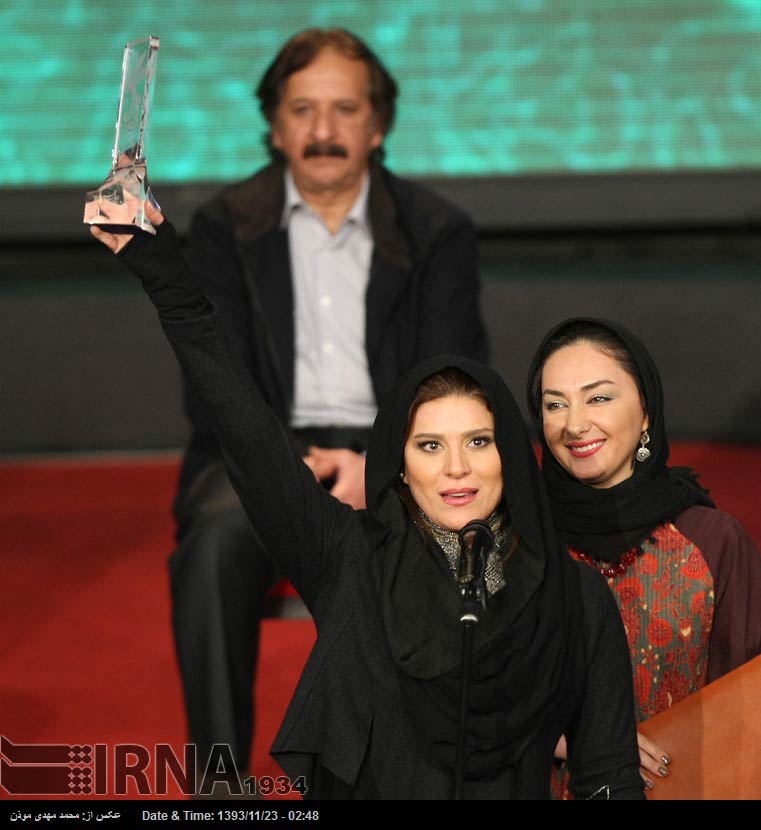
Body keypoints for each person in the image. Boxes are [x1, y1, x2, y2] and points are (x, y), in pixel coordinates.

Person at [91, 206, 644, 799]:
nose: (456, 467)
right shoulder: (351, 558)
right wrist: (166, 276)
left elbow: (608, 780)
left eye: (478, 442)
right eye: (429, 445)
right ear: (400, 466)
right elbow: (247, 430)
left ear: (508, 454)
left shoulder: (575, 598)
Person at [170, 27, 488, 783]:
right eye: (302, 110)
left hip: (400, 448)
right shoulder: (223, 227)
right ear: (275, 126)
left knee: (461, 528)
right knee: (212, 546)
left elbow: (453, 379)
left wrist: (380, 464)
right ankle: (218, 783)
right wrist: (287, 469)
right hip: (259, 452)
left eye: (344, 109)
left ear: (377, 125)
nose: (322, 131)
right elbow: (214, 385)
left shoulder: (436, 230)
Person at [525, 316, 761, 798]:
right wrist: (557, 737)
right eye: (555, 404)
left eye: (598, 398)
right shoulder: (519, 543)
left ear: (646, 412)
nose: (574, 424)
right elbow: (457, 699)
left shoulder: (711, 542)